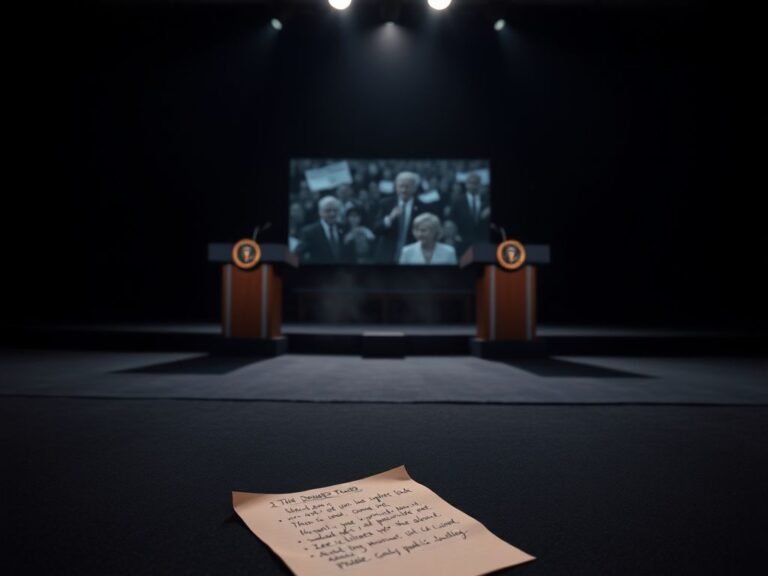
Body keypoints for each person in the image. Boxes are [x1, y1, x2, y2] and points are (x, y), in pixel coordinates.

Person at [374, 171, 427, 263]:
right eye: (400, 186)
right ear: (396, 187)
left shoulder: (423, 207)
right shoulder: (385, 204)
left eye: (407, 186)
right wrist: (389, 218)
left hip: (413, 256)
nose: (403, 190)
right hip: (388, 255)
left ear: (414, 188)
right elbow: (376, 229)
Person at [297, 196, 352, 264]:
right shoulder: (309, 232)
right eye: (328, 211)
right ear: (320, 212)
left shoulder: (345, 228)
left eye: (335, 210)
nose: (332, 214)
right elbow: (297, 255)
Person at [450, 171, 490, 254]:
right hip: (463, 240)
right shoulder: (458, 201)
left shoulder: (487, 200)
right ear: (466, 184)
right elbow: (452, 219)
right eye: (471, 183)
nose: (473, 186)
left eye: (476, 183)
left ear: (480, 185)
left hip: (483, 240)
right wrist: (456, 235)